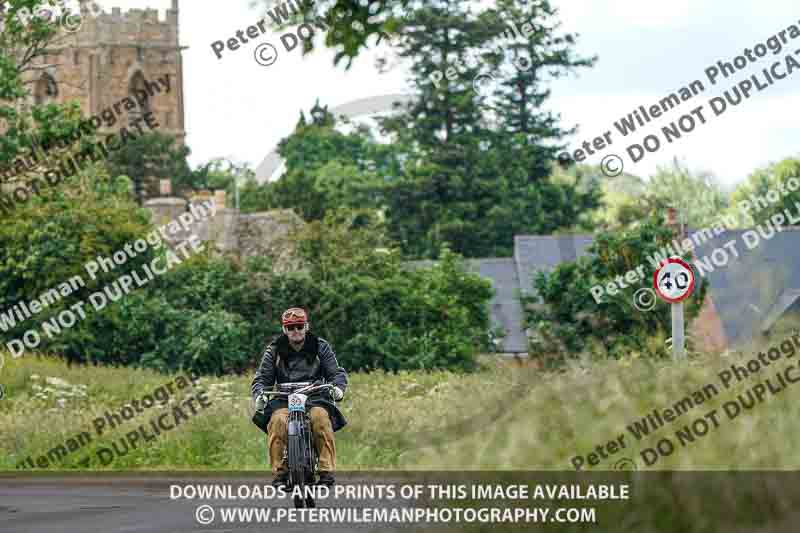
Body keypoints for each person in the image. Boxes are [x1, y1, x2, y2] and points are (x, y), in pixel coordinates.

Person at [251, 307, 348, 487]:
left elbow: (336, 373)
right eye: (291, 327)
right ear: (284, 330)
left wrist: (338, 388)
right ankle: (280, 473)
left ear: (306, 326)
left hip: (315, 396)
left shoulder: (320, 346)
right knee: (277, 421)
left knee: (320, 419)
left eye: (299, 326)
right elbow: (262, 379)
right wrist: (259, 396)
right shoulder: (273, 350)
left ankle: (326, 471)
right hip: (283, 398)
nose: (295, 331)